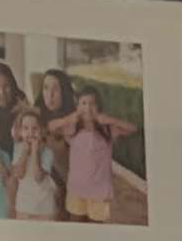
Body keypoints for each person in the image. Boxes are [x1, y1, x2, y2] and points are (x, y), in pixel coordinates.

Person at [56, 84, 140, 224]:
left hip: (99, 192)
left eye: (92, 103)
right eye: (83, 103)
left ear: (99, 107)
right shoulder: (72, 128)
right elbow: (51, 127)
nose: (88, 108)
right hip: (77, 189)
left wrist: (110, 120)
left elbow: (133, 129)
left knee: (97, 228)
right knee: (76, 224)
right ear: (78, 107)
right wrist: (70, 118)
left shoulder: (107, 129)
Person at [4, 104, 63, 222]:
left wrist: (35, 151)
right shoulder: (18, 148)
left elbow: (38, 177)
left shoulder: (47, 152)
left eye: (35, 128)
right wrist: (25, 152)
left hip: (45, 207)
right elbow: (19, 174)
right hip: (24, 206)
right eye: (25, 128)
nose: (30, 132)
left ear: (41, 131)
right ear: (20, 131)